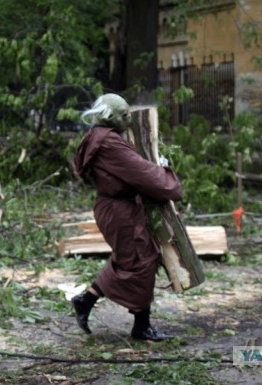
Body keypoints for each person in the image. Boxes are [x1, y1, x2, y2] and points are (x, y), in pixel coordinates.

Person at [71, 93, 183, 341]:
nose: (128, 119)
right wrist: (165, 175)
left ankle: (86, 301)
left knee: (132, 258)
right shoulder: (109, 143)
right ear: (110, 117)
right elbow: (140, 172)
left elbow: (133, 167)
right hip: (119, 210)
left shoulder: (101, 136)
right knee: (141, 260)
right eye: (124, 116)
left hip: (117, 208)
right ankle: (141, 327)